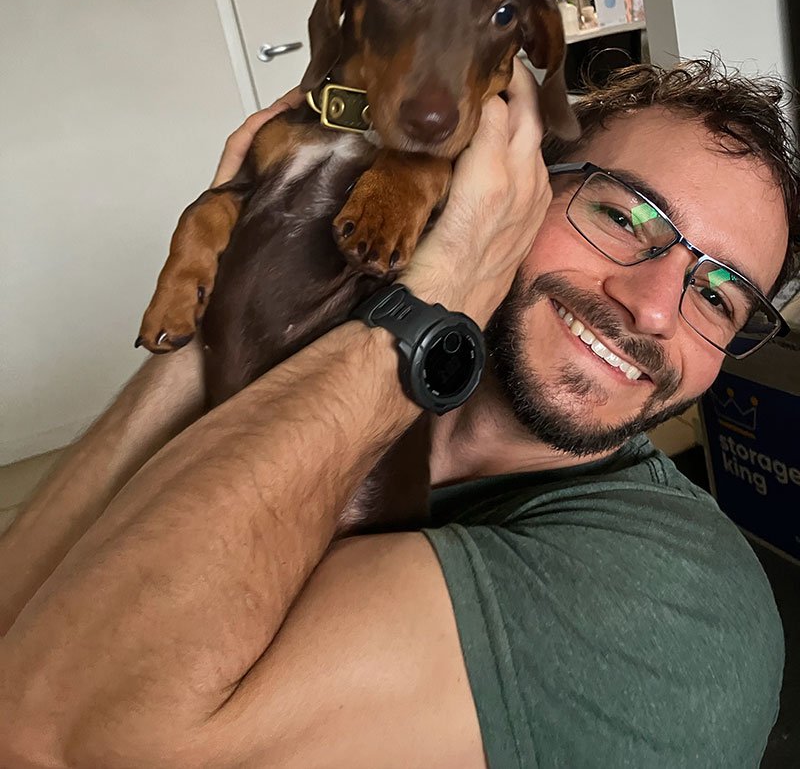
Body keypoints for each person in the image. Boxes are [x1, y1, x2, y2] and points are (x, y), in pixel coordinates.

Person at [1, 58, 798, 768]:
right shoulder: (326, 389)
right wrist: (242, 284)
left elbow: (48, 726)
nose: (654, 308)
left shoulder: (688, 608)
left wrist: (431, 303)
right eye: (622, 216)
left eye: (718, 296)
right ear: (517, 187)